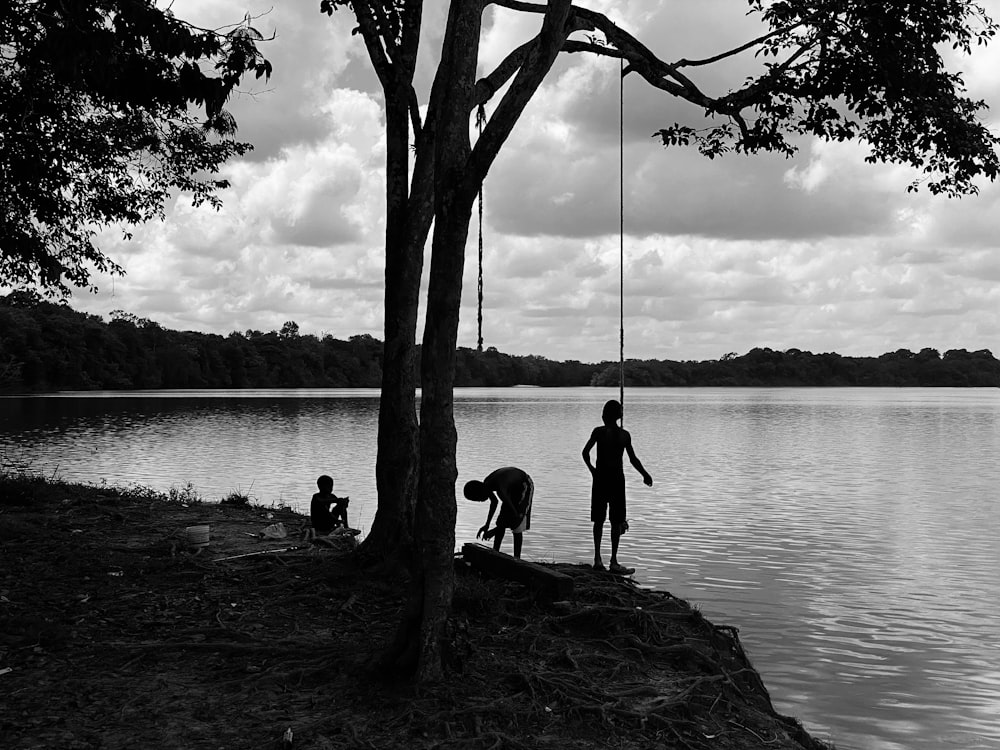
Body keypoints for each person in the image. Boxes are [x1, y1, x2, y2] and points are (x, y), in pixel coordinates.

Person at [582, 399, 652, 575]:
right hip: (616, 480)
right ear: (619, 416)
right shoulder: (623, 435)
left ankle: (598, 559)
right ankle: (612, 561)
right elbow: (633, 459)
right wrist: (644, 474)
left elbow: (585, 453)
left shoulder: (600, 432)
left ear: (604, 416)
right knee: (615, 521)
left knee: (600, 520)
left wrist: (593, 471)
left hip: (601, 479)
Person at [463, 466, 534, 560]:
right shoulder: (487, 484)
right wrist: (487, 525)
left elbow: (514, 515)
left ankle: (517, 559)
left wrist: (493, 531)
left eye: (479, 498)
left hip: (523, 485)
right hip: (511, 487)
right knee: (501, 520)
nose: (480, 501)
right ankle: (495, 552)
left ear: (481, 491)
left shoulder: (500, 489)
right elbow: (494, 502)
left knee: (516, 524)